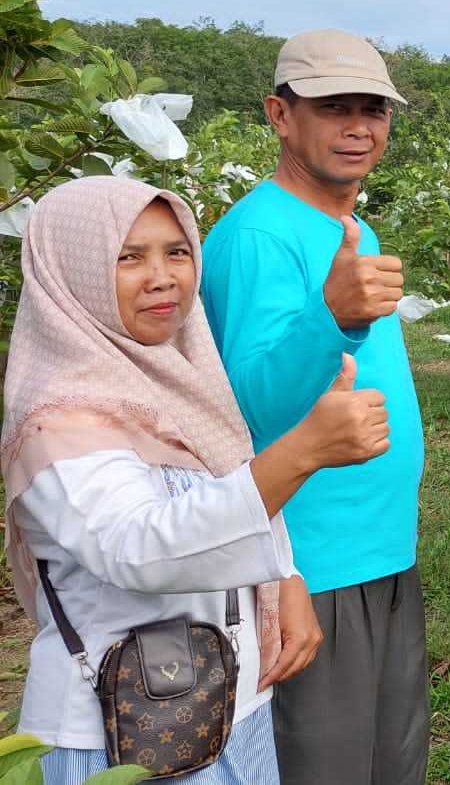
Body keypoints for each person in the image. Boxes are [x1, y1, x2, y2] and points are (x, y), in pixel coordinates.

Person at [1, 177, 390, 784]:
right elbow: (141, 549)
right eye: (128, 257)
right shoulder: (61, 417)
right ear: (69, 270)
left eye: (176, 252)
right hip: (121, 734)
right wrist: (303, 452)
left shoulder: (179, 383)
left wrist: (284, 575)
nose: (162, 277)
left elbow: (226, 476)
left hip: (225, 709)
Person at [199, 29, 428, 784]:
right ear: (280, 114)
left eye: (374, 109)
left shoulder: (353, 228)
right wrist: (330, 312)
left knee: (388, 762)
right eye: (334, 108)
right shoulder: (256, 236)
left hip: (382, 551)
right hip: (311, 563)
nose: (359, 126)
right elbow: (245, 409)